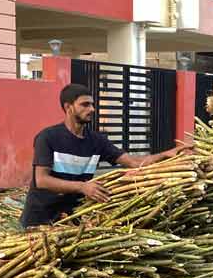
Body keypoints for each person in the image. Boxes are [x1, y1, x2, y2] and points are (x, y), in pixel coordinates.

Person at [20, 83, 181, 228]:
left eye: (92, 104)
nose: (92, 109)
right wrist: (82, 187)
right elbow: (42, 180)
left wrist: (167, 154)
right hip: (40, 218)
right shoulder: (48, 137)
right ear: (68, 107)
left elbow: (133, 162)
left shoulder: (97, 141)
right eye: (85, 105)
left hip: (71, 218)